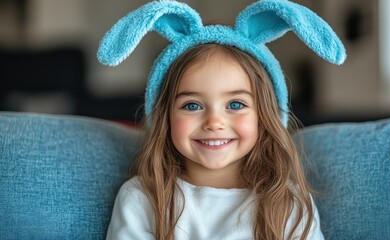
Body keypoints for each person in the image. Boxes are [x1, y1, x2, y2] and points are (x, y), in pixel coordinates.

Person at [97, 1, 346, 239]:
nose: (214, 122)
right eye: (192, 105)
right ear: (165, 117)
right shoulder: (142, 199)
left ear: (265, 117)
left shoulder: (288, 203)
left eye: (235, 105)